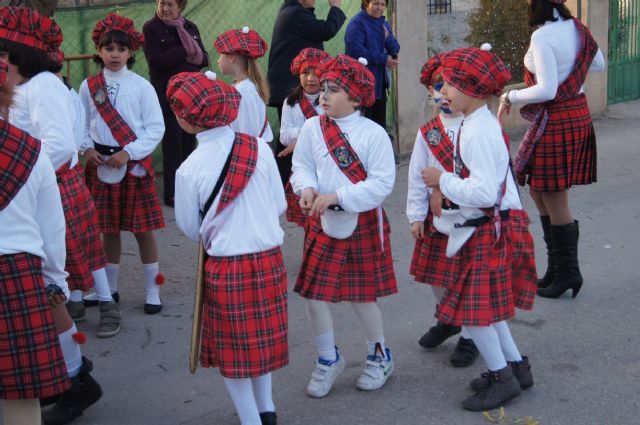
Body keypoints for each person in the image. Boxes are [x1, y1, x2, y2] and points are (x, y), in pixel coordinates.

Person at [0, 7, 103, 423]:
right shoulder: (33, 85)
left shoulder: (40, 87)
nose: (1, 59)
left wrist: (18, 166)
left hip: (45, 189)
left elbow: (58, 145)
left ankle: (76, 379)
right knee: (47, 297)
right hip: (37, 186)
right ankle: (74, 375)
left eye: (4, 49)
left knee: (49, 292)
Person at [170, 71, 288, 425]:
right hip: (270, 259)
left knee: (234, 352)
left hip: (227, 266)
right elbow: (280, 205)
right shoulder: (259, 149)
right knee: (260, 343)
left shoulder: (189, 169)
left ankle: (251, 419)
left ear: (187, 119)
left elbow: (191, 228)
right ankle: (266, 410)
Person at [421, 46, 535, 411]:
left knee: (476, 311)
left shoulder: (478, 132)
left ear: (474, 90)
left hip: (488, 226)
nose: (444, 91)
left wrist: (443, 179)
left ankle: (502, 378)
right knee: (489, 310)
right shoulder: (475, 123)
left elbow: (485, 192)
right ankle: (517, 368)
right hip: (485, 226)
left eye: (451, 84)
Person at [291, 54, 397, 398]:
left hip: (360, 219)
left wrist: (337, 194)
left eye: (333, 89)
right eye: (323, 88)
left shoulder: (373, 133)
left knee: (362, 297)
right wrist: (305, 188)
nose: (323, 95)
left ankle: (379, 355)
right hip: (323, 222)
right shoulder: (311, 127)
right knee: (314, 296)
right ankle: (327, 358)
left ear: (356, 97)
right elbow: (302, 165)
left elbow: (382, 184)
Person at [498, 0, 605, 299]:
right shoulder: (578, 29)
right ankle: (557, 268)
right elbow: (598, 64)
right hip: (575, 113)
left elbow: (547, 90)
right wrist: (572, 67)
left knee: (555, 195)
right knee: (538, 189)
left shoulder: (543, 37)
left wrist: (510, 95)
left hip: (557, 118)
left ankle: (569, 272)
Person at [80, 12, 166, 315]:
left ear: (131, 52)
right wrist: (87, 149)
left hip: (132, 163)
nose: (114, 55)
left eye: (121, 49)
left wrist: (128, 153)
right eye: (108, 48)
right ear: (99, 51)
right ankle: (110, 289)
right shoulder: (88, 86)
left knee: (143, 229)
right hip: (100, 163)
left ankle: (153, 289)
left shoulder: (142, 86)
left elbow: (156, 127)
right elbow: (81, 123)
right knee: (108, 229)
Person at [0, 60, 70, 425]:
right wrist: (56, 280)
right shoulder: (32, 151)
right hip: (19, 275)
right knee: (21, 398)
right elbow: (51, 228)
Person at [407, 53, 479, 367]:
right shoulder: (428, 132)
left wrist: (442, 186)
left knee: (467, 278)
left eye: (448, 85)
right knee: (438, 276)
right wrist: (414, 215)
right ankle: (448, 318)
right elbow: (415, 173)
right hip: (436, 218)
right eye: (437, 86)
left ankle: (471, 336)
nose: (442, 93)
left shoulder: (475, 126)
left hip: (469, 214)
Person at [268, 0, 346, 185]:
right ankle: (283, 183)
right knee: (289, 145)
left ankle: (294, 180)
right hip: (291, 89)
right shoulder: (295, 14)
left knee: (297, 144)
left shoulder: (297, 11)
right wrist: (335, 7)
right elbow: (327, 30)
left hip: (298, 87)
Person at [143, 0, 209, 207]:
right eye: (162, 3)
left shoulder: (190, 27)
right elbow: (156, 61)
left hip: (192, 97)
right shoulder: (151, 28)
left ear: (180, 7)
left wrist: (188, 55)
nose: (165, 8)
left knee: (190, 145)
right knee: (173, 145)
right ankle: (172, 194)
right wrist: (184, 50)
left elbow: (203, 58)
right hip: (169, 97)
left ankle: (189, 191)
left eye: (170, 4)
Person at [279, 47, 331, 229]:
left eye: (315, 73)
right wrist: (309, 132)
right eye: (305, 73)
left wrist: (300, 138)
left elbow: (331, 131)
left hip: (326, 164)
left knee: (326, 212)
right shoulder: (290, 103)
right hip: (303, 165)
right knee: (307, 214)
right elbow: (285, 136)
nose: (310, 79)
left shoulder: (329, 99)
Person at [344, 0, 399, 130]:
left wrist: (388, 37)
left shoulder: (383, 23)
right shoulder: (357, 23)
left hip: (379, 86)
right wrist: (384, 59)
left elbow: (395, 49)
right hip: (361, 86)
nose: (379, 8)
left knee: (379, 128)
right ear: (366, 3)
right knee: (362, 128)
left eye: (382, 4)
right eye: (375, 3)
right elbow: (355, 51)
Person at [215, 26, 273, 145]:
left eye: (220, 55)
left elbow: (248, 136)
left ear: (231, 57)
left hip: (250, 155)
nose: (217, 60)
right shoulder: (242, 87)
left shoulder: (244, 91)